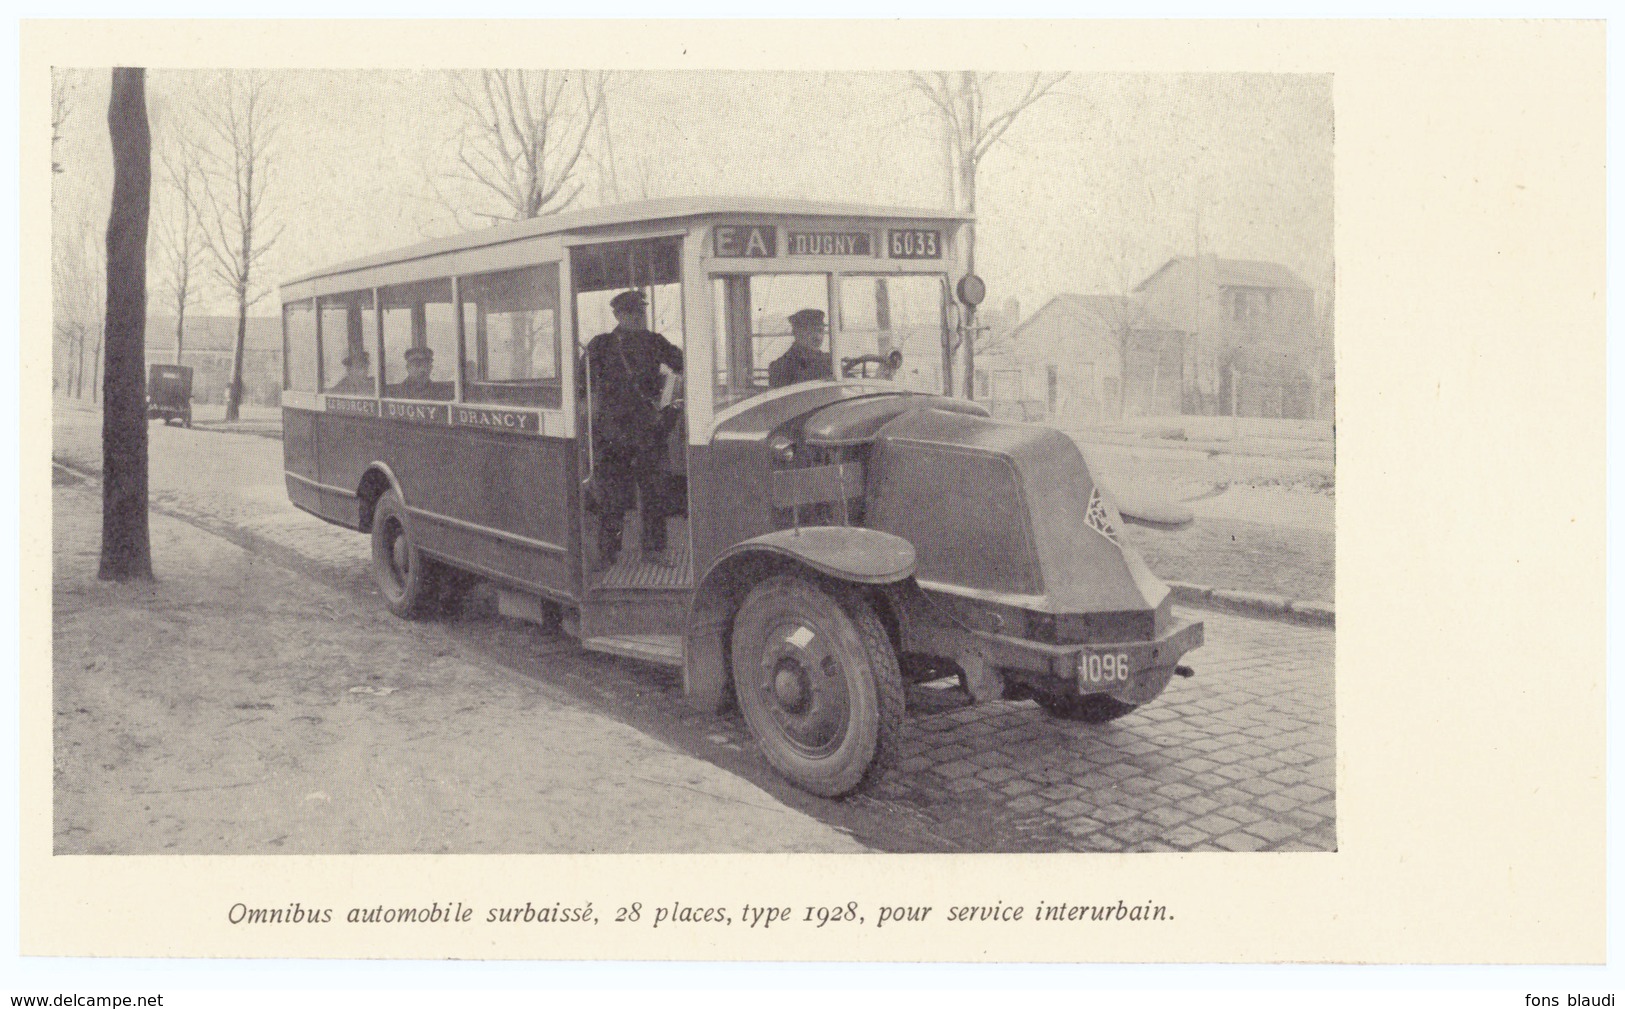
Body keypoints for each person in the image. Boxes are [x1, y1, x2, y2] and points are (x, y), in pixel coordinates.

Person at [581, 289, 684, 569]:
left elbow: (684, 364)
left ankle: (654, 551)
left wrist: (669, 394)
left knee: (655, 492)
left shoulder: (655, 341)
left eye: (641, 312)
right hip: (612, 432)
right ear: (617, 315)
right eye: (631, 312)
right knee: (612, 496)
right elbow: (582, 384)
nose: (638, 317)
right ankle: (608, 553)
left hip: (648, 430)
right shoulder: (600, 345)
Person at [768, 308, 832, 388]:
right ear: (796, 333)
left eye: (820, 330)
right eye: (811, 331)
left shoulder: (829, 360)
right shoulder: (781, 366)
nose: (818, 337)